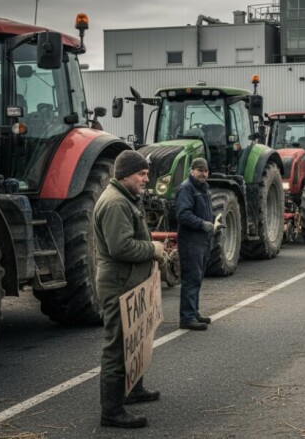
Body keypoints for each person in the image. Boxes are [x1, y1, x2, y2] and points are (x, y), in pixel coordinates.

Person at [94, 150, 164, 428]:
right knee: (117, 347)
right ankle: (111, 411)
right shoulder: (115, 204)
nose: (146, 179)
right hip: (118, 284)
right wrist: (153, 249)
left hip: (131, 283)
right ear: (125, 175)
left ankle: (133, 390)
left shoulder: (126, 198)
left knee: (136, 339)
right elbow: (121, 247)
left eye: (147, 173)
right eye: (142, 174)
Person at [175, 157, 223, 331]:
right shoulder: (187, 188)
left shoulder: (203, 189)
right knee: (191, 278)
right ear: (192, 171)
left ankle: (193, 312)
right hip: (190, 241)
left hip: (202, 240)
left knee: (198, 278)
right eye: (200, 170)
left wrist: (213, 223)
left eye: (205, 170)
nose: (203, 173)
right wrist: (202, 224)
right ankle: (186, 318)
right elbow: (183, 214)